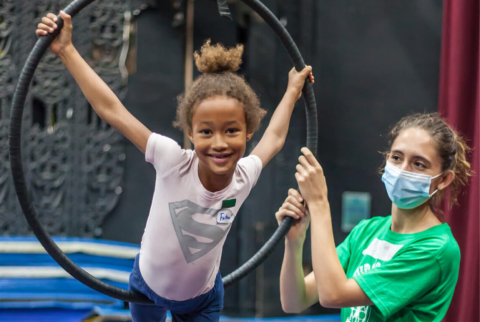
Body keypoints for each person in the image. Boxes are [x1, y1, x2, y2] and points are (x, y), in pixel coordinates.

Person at [36, 11, 314, 322]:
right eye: (206, 132)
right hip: (147, 288)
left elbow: (274, 138)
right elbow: (111, 109)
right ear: (190, 133)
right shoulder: (172, 160)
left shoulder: (243, 176)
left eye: (232, 131)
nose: (219, 143)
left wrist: (292, 90)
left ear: (249, 131)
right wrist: (66, 50)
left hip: (202, 300)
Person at [275, 113, 472, 321]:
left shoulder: (436, 249)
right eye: (397, 158)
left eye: (419, 164)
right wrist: (294, 242)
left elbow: (334, 295)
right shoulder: (367, 230)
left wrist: (319, 203)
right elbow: (294, 301)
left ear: (443, 179)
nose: (403, 170)